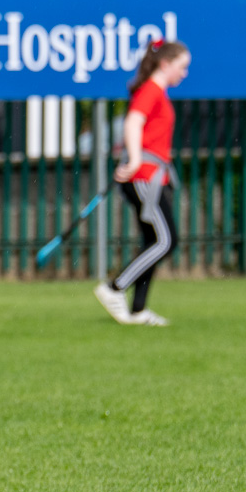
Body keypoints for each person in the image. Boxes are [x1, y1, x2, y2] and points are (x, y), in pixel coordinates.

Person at [94, 38, 190, 326]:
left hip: (151, 175)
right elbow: (133, 122)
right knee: (166, 240)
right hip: (144, 176)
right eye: (182, 67)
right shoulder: (151, 90)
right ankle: (114, 288)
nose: (184, 73)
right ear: (165, 63)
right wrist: (135, 160)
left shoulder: (158, 92)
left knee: (153, 240)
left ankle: (138, 310)